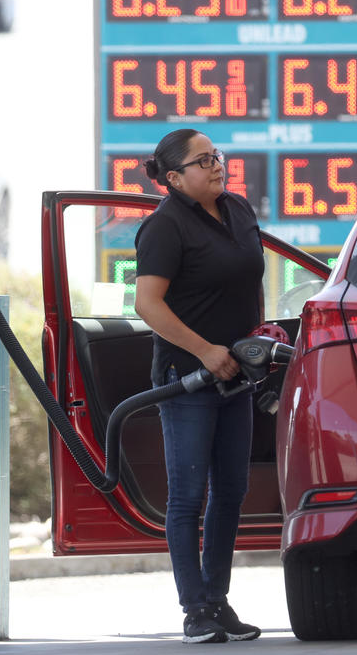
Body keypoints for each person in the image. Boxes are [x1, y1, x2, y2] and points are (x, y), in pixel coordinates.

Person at [134, 129, 265, 644]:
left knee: (231, 490)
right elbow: (148, 306)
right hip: (188, 376)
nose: (216, 165)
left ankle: (218, 600)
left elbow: (247, 281)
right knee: (189, 496)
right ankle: (195, 610)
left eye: (218, 156)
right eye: (203, 160)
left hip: (237, 373)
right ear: (173, 177)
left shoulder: (238, 210)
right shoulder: (165, 228)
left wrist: (251, 343)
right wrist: (206, 352)